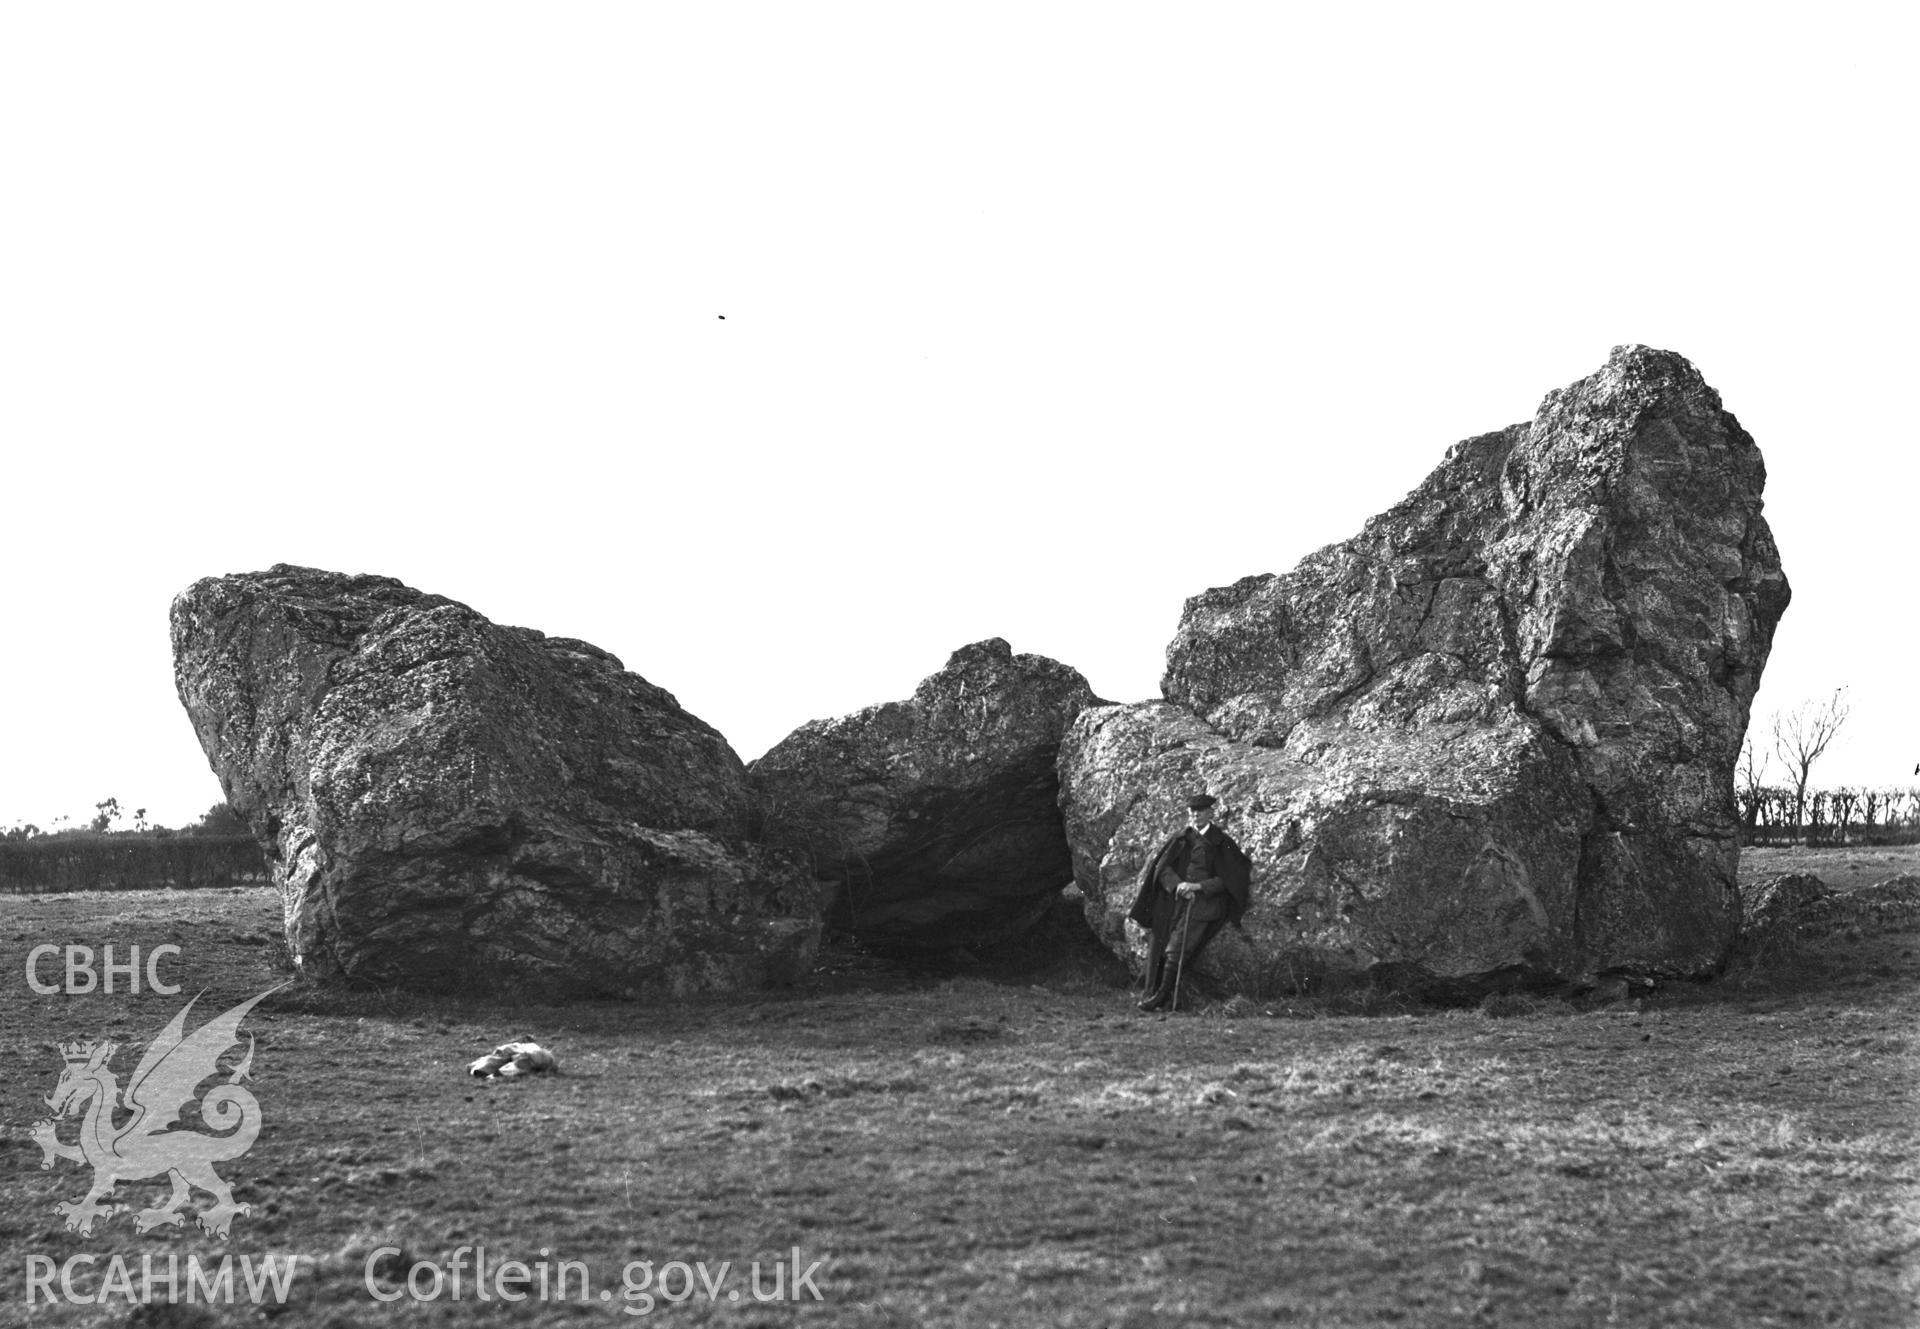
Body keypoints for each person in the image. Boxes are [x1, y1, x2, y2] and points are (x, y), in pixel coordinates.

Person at [1128, 793, 1251, 1012]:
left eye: (1201, 812)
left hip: (1204, 905)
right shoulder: (1180, 838)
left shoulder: (1222, 842)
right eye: (1192, 812)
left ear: (1211, 813)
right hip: (1175, 901)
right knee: (1160, 943)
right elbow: (1162, 869)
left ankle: (1160, 998)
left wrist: (1198, 887)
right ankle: (1155, 993)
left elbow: (1231, 879)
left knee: (1176, 948)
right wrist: (1178, 885)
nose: (1196, 816)